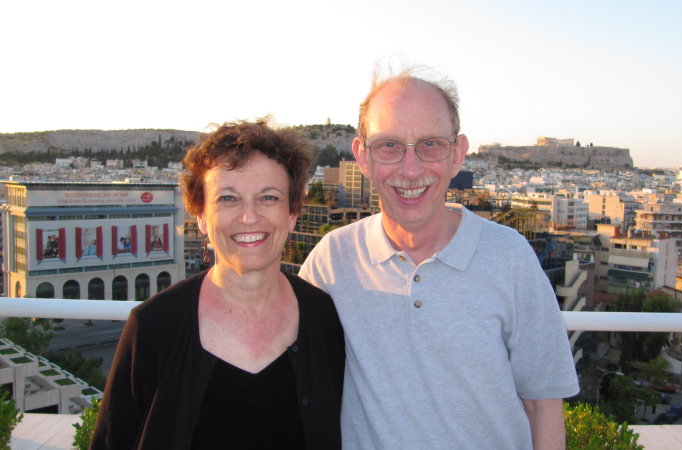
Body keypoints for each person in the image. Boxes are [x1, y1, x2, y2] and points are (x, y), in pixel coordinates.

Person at [299, 69, 579, 449]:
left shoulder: (510, 257)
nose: (410, 169)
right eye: (389, 146)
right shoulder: (332, 261)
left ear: (457, 154)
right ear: (363, 157)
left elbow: (543, 403)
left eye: (429, 144)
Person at [92, 120, 345, 449]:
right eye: (228, 199)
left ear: (292, 213)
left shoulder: (323, 318)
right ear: (200, 217)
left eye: (268, 197)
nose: (249, 217)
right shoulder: (154, 327)